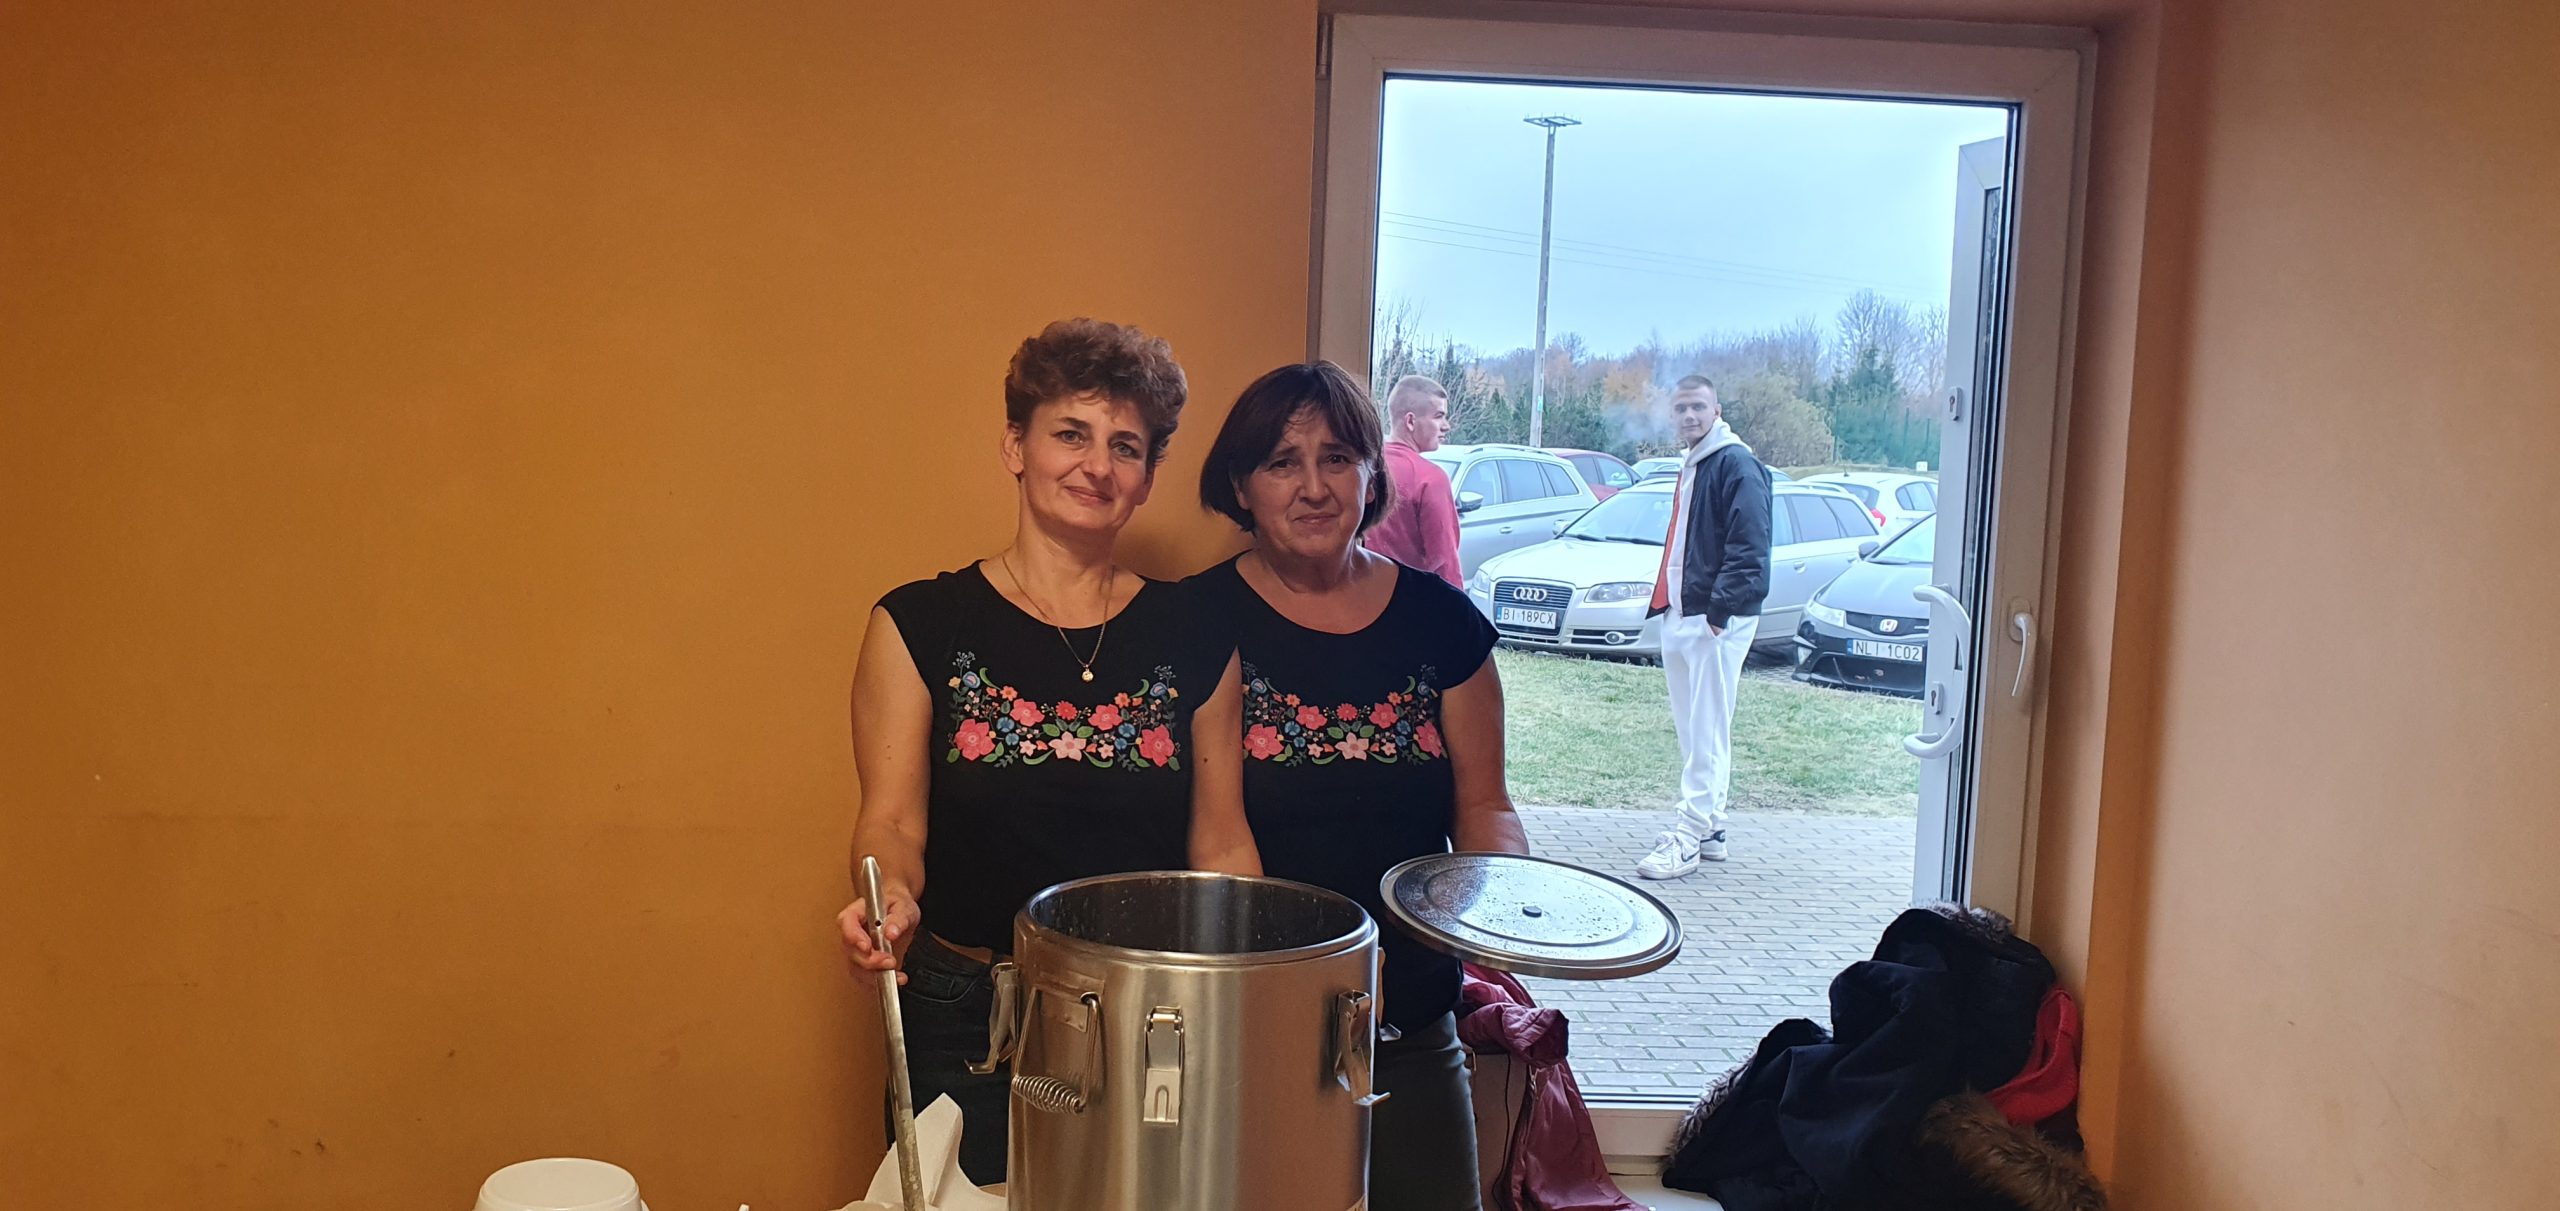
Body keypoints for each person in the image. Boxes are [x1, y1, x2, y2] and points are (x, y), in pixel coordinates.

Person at [835, 318, 1260, 1184]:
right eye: (1071, 433)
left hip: (1151, 1014)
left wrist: (1251, 988)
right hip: (966, 1014)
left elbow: (1221, 844)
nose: (1097, 465)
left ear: (1146, 479)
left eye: (1125, 446)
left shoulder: (1196, 632)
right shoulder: (918, 623)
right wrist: (889, 899)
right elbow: (892, 822)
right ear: (1015, 447)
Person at [1190, 361, 1530, 1211]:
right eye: (1282, 462)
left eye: (1337, 458)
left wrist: (1505, 910)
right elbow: (1218, 835)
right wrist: (1293, 989)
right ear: (1241, 485)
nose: (1314, 486)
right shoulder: (1197, 621)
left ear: (1373, 474)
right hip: (1255, 1025)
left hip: (1410, 1020)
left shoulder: (1442, 621)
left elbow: (1485, 807)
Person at [1634, 374, 1773, 879]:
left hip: (1712, 620)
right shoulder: (1696, 463)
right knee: (1696, 727)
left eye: (1698, 407)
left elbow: (1750, 546)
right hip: (1684, 611)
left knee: (1707, 726)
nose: (1689, 416)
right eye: (1681, 409)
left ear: (1717, 410)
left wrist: (1718, 614)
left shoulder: (1736, 463)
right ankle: (1710, 828)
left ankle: (1690, 833)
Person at [1363, 373, 1463, 586]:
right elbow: (1446, 565)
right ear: (1410, 421)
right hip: (1412, 597)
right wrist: (1458, 605)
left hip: (1363, 592)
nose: (1446, 426)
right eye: (1438, 416)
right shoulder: (1430, 478)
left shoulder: (1365, 467)